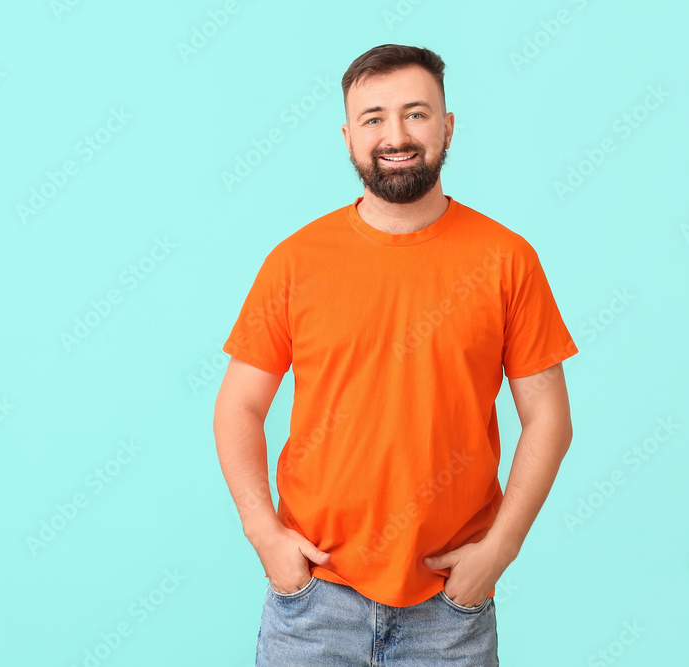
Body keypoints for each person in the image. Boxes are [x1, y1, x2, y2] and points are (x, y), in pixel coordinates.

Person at [213, 43, 578, 666]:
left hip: (450, 611)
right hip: (315, 603)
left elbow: (549, 417)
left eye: (416, 113)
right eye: (374, 118)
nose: (396, 134)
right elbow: (238, 407)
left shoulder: (506, 260)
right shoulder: (295, 262)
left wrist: (501, 547)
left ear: (447, 126)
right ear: (349, 136)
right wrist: (262, 531)